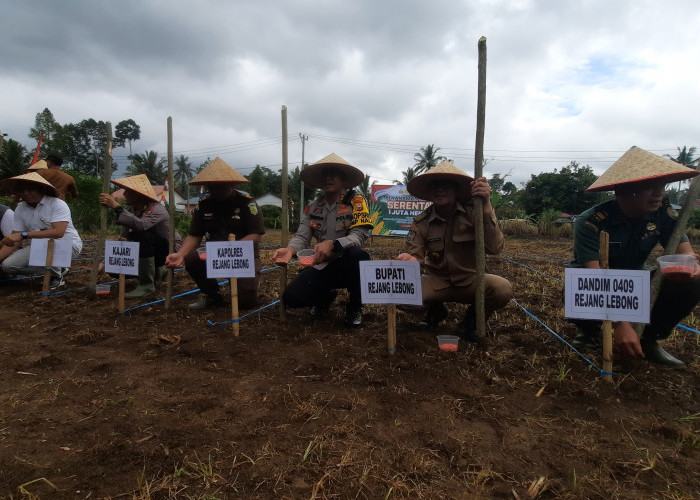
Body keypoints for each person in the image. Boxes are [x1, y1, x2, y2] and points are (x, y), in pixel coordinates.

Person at [570, 146, 700, 367]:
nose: (658, 193)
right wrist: (621, 322)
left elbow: (685, 252)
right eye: (649, 187)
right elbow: (595, 275)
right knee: (576, 288)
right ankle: (590, 330)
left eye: (661, 186)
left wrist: (691, 265)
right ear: (623, 192)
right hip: (599, 282)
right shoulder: (591, 221)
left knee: (693, 282)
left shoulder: (664, 214)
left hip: (637, 285)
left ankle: (649, 338)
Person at [396, 161, 513, 341]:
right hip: (436, 281)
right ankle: (436, 311)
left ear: (457, 189)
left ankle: (471, 320)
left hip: (470, 280)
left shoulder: (474, 212)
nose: (440, 189)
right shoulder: (421, 222)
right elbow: (415, 257)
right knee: (401, 295)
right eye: (435, 185)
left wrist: (487, 205)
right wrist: (409, 260)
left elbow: (495, 248)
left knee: (502, 289)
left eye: (446, 184)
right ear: (429, 191)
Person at [272, 153, 373, 327]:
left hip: (346, 263)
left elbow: (359, 236)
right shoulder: (313, 206)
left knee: (360, 256)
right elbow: (302, 236)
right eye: (325, 175)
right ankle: (324, 299)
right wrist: (290, 250)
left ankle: (355, 307)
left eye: (334, 174)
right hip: (321, 265)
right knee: (292, 298)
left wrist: (334, 245)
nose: (328, 178)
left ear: (344, 180)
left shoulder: (356, 202)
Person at [165, 157, 264, 309]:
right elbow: (195, 235)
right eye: (212, 186)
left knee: (246, 302)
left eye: (221, 186)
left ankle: (243, 288)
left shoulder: (247, 203)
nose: (216, 190)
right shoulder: (203, 205)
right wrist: (181, 254)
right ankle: (212, 295)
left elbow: (256, 234)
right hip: (213, 255)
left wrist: (229, 250)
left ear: (232, 184)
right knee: (192, 257)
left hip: (243, 255)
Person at [98, 174, 181, 298]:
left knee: (141, 235)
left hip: (170, 250)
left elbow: (141, 225)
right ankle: (157, 273)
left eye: (128, 191)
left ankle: (146, 285)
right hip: (151, 249)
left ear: (138, 194)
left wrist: (117, 207)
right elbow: (123, 239)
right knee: (114, 269)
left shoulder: (157, 209)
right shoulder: (133, 212)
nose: (124, 194)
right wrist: (105, 263)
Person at [0, 172, 82, 289]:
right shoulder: (21, 208)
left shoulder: (57, 204)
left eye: (31, 190)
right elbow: (15, 239)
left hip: (68, 245)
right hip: (40, 248)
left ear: (41, 189)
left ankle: (55, 275)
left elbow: (58, 232)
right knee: (8, 266)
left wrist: (24, 235)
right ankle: (59, 267)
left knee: (47, 237)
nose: (26, 193)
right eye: (23, 190)